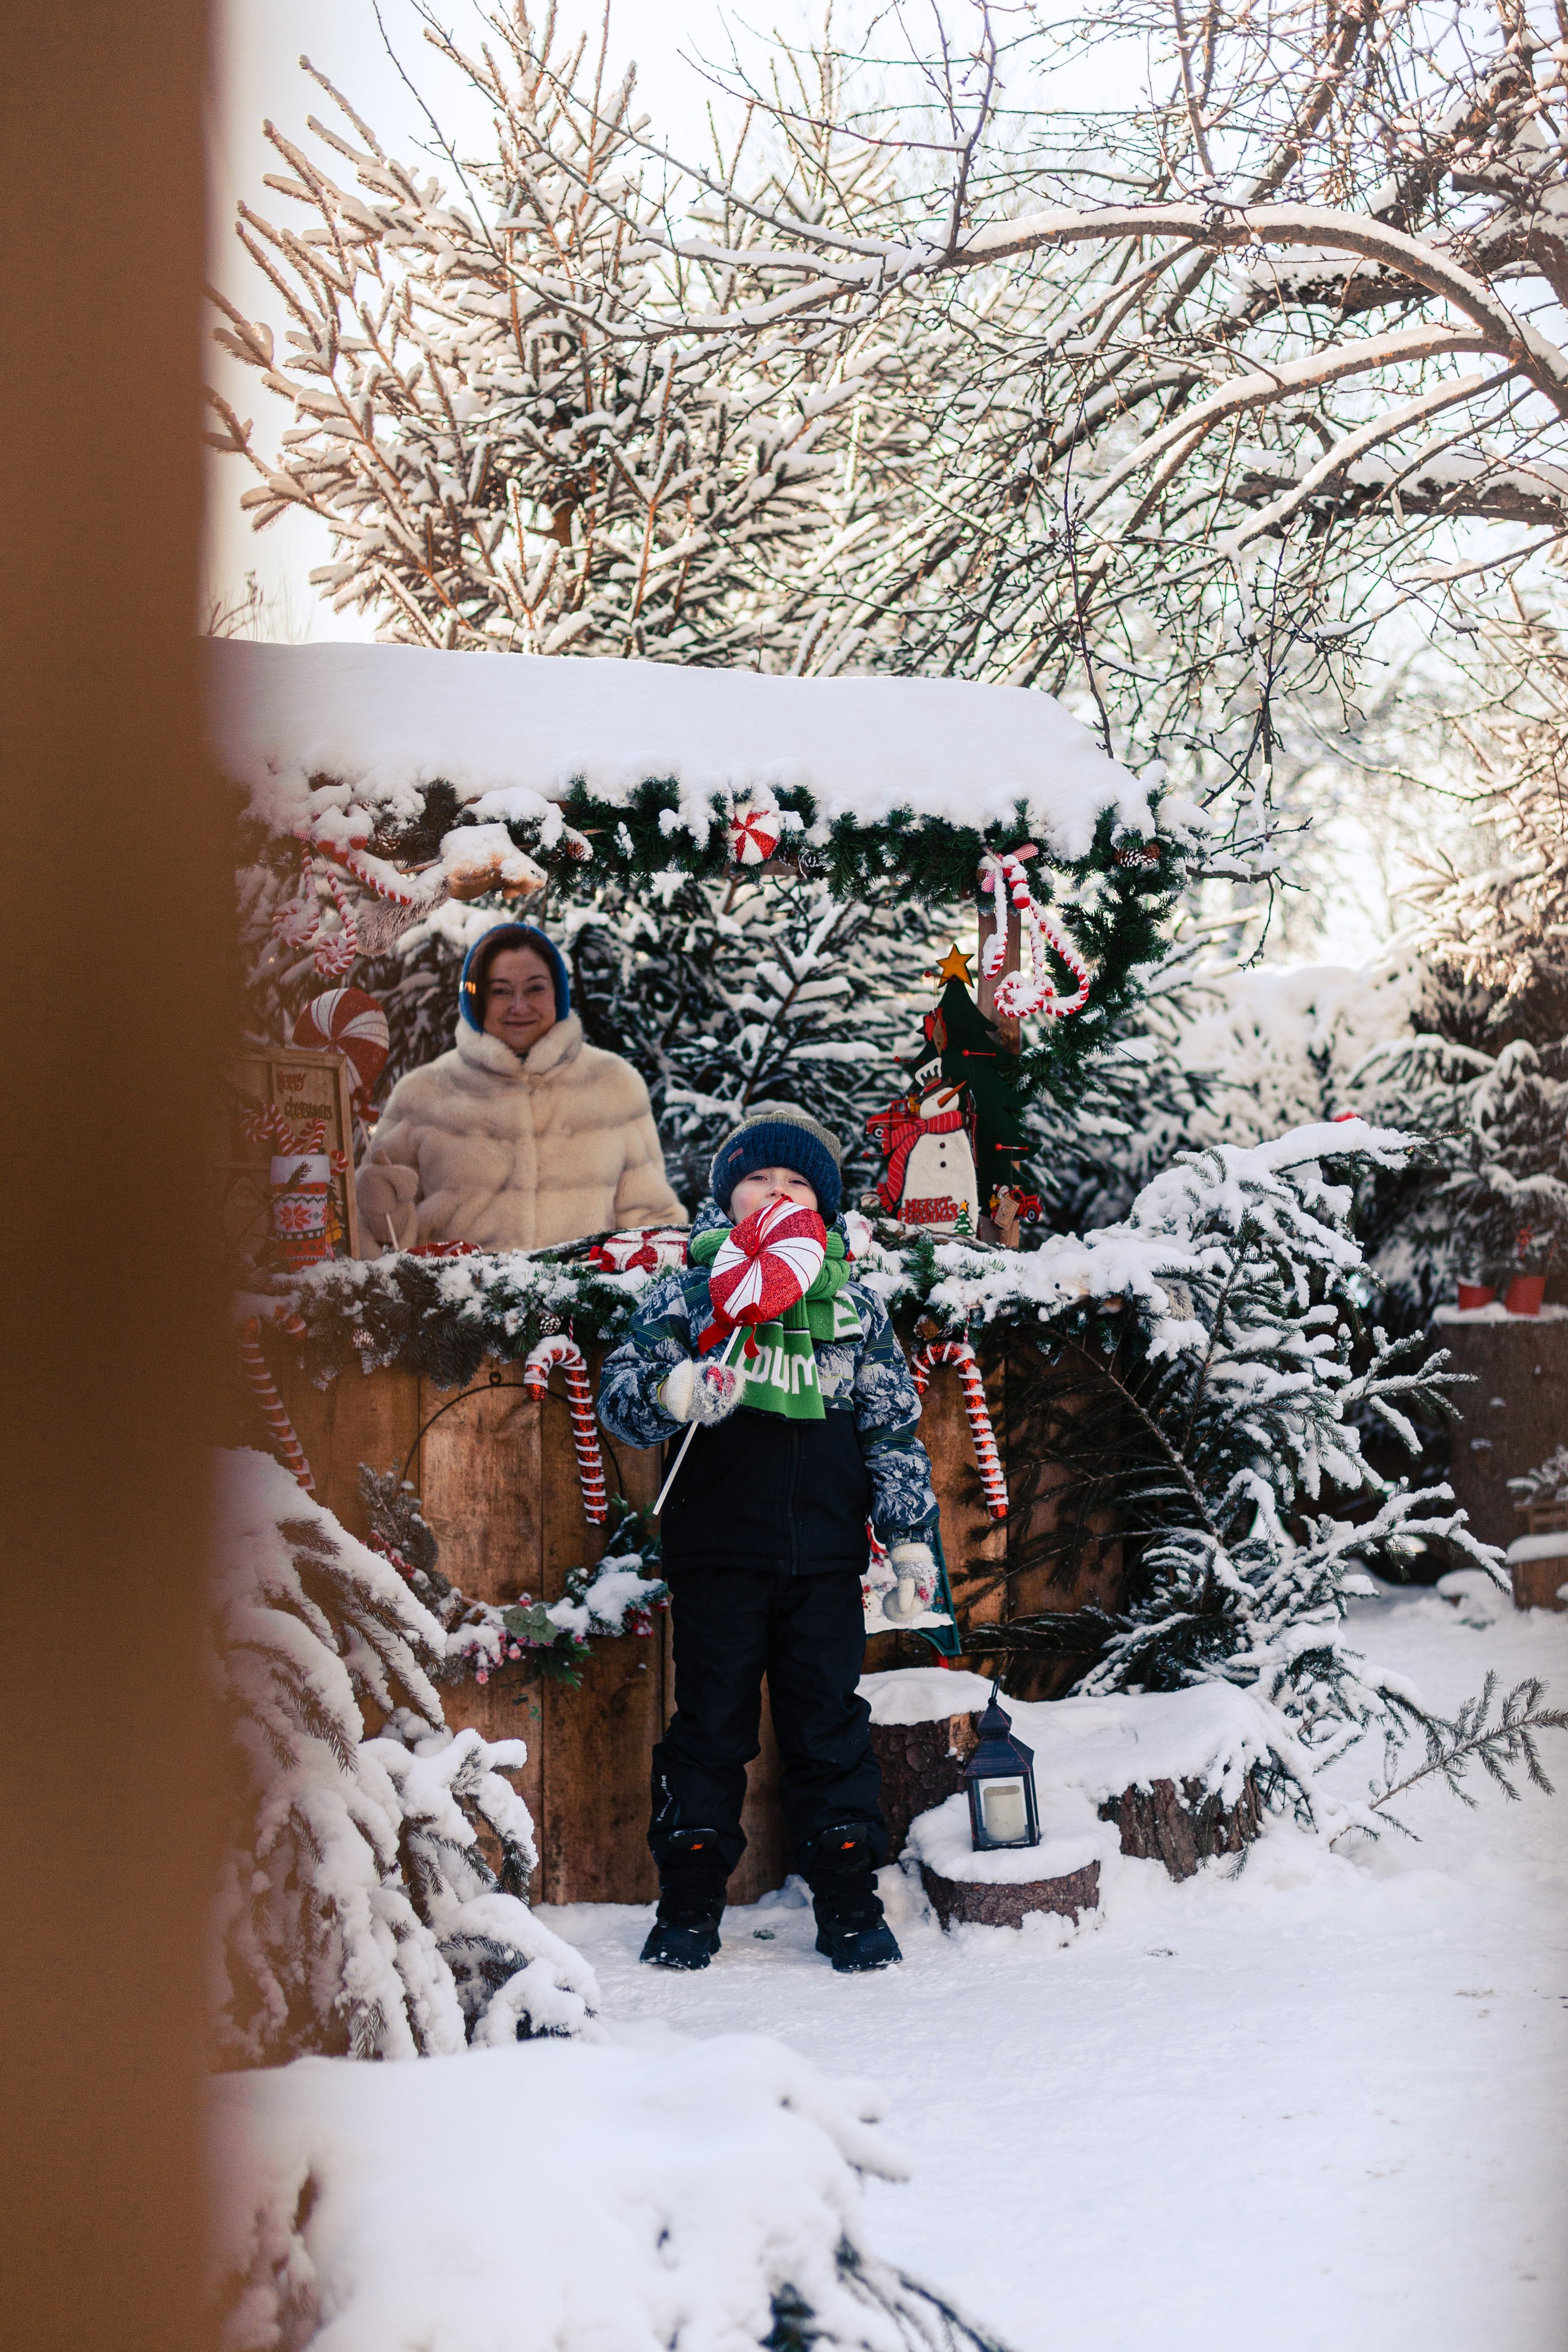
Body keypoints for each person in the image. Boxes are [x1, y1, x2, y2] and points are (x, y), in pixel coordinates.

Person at [597, 1103, 941, 1975]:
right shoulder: (687, 1291)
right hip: (718, 1553)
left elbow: (891, 1432)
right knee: (709, 1726)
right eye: (760, 1179)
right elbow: (623, 1399)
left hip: (825, 1561)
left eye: (797, 1185)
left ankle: (849, 1896)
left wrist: (908, 1545)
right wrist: (675, 1393)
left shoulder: (853, 1306)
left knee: (829, 1729)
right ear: (727, 1192)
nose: (777, 1194)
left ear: (822, 1210)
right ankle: (689, 1898)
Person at [356, 922, 685, 1253]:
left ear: (558, 992)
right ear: (477, 1000)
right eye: (500, 991)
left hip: (580, 1301)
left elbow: (650, 1225)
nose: (519, 1006)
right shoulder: (422, 1095)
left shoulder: (614, 1086)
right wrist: (384, 1212)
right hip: (456, 1301)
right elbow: (376, 1237)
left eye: (535, 989)